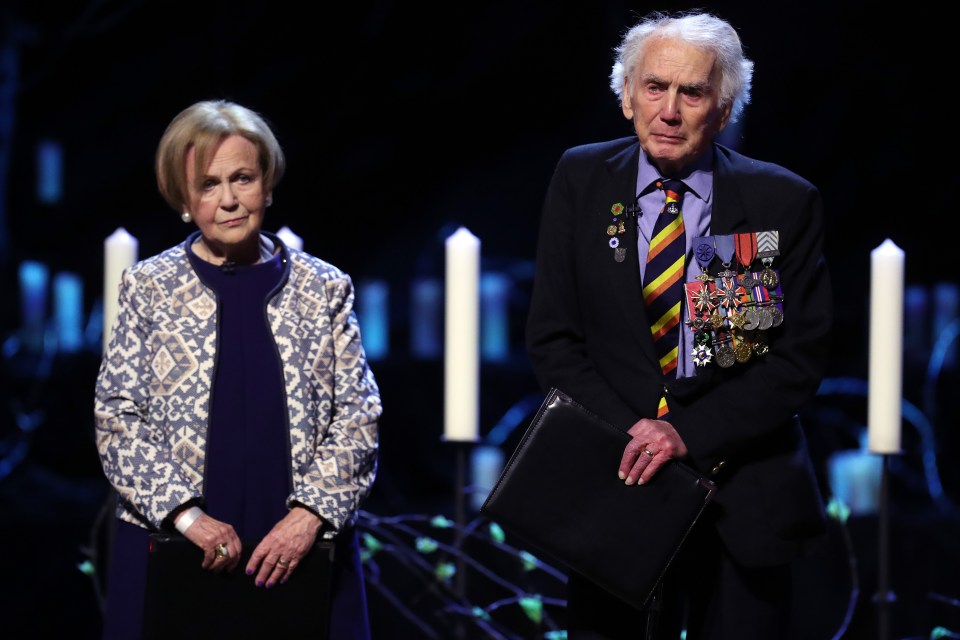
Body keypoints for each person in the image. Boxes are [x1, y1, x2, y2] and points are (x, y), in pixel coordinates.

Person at [525, 10, 832, 640]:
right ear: (627, 97)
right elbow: (555, 340)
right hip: (618, 488)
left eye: (691, 92)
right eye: (654, 87)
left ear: (724, 108)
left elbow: (794, 359)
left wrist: (685, 434)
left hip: (743, 503)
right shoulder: (581, 179)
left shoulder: (781, 200)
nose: (669, 110)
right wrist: (637, 432)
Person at [94, 99, 382, 639]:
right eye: (207, 185)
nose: (228, 200)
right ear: (184, 200)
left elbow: (359, 416)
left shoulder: (325, 288)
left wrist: (309, 518)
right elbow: (117, 417)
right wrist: (186, 518)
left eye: (243, 179)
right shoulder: (148, 287)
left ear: (267, 186)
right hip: (175, 548)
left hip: (300, 549)